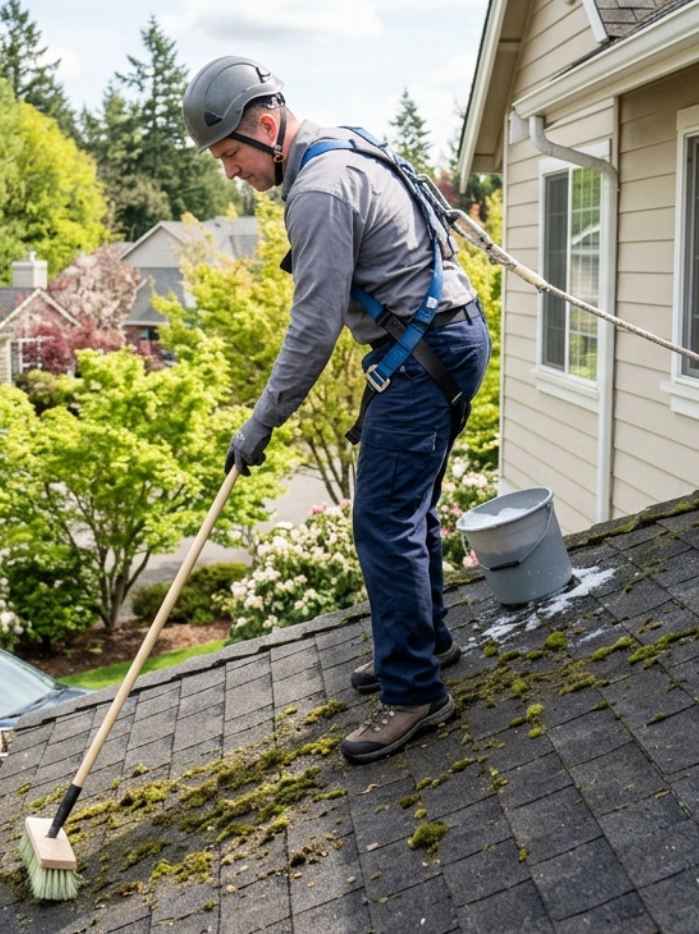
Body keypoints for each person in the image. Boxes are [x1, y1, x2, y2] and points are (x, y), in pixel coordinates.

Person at [183, 56, 491, 764]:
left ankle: (414, 693)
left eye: (231, 153)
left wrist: (259, 425)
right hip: (448, 334)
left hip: (423, 352)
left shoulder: (318, 190)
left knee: (383, 520)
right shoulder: (345, 144)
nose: (230, 172)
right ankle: (426, 644)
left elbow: (313, 328)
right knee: (407, 512)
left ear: (267, 125)